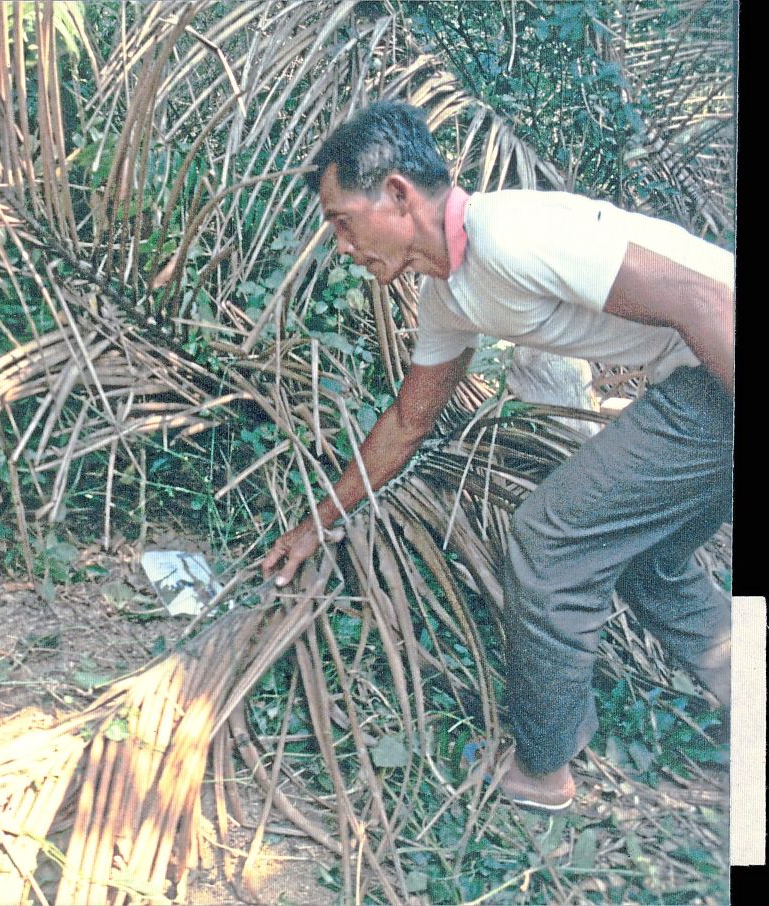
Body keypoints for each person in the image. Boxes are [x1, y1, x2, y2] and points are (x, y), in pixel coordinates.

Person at [260, 101, 733, 812]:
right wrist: (317, 523)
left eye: (342, 221)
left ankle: (542, 773)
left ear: (395, 194)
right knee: (648, 559)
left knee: (550, 541)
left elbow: (703, 302)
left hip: (718, 369)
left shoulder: (512, 233)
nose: (342, 246)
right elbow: (408, 421)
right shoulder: (449, 292)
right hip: (702, 379)